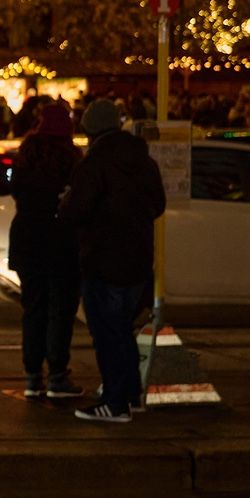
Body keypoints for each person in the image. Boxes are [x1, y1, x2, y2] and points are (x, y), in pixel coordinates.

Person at [62, 99, 166, 422]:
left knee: (109, 333)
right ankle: (128, 393)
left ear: (90, 130)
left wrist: (65, 204)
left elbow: (75, 211)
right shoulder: (144, 162)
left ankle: (116, 402)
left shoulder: (93, 165)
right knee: (122, 330)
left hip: (103, 259)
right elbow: (158, 205)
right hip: (137, 260)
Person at [10, 99, 84, 399]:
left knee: (33, 309)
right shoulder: (72, 159)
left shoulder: (26, 155)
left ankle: (32, 375)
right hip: (61, 241)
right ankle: (57, 373)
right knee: (61, 310)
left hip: (27, 240)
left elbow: (16, 191)